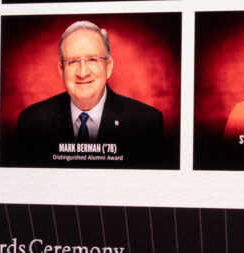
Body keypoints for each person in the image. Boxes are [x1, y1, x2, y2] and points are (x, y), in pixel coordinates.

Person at [14, 21, 163, 160]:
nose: (83, 72)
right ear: (61, 70)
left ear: (108, 67)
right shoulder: (31, 123)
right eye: (73, 61)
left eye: (92, 60)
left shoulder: (146, 123)